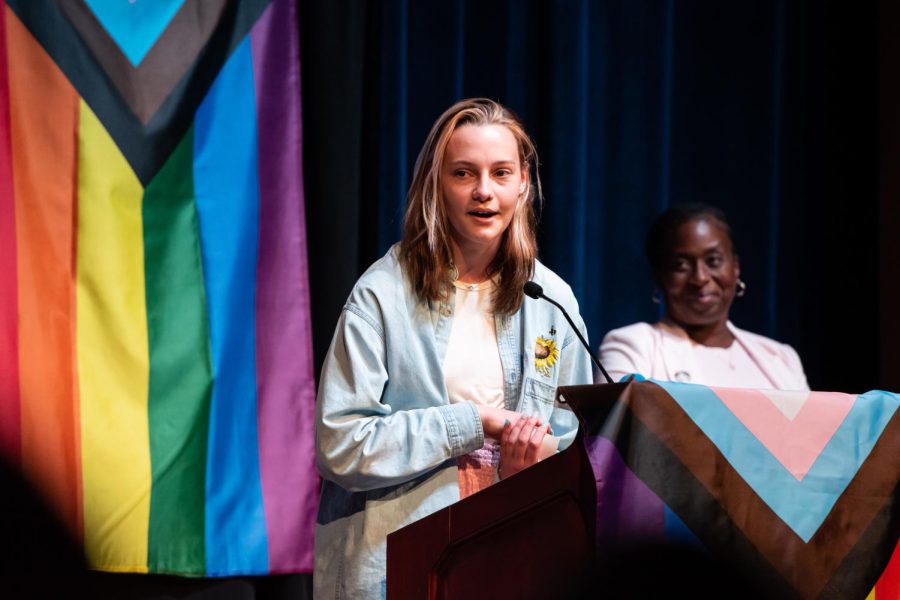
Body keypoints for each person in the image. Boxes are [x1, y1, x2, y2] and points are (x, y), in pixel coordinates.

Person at [314, 98, 592, 598]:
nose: (484, 192)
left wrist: (534, 460)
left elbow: (582, 447)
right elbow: (341, 445)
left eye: (500, 173)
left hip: (513, 560)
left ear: (523, 182)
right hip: (399, 565)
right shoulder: (383, 293)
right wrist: (478, 421)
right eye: (464, 173)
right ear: (436, 183)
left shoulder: (551, 299)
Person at [598, 203, 808, 390]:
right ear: (660, 277)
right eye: (681, 265)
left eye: (713, 261)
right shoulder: (632, 347)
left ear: (735, 267)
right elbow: (619, 429)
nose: (700, 278)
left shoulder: (781, 359)